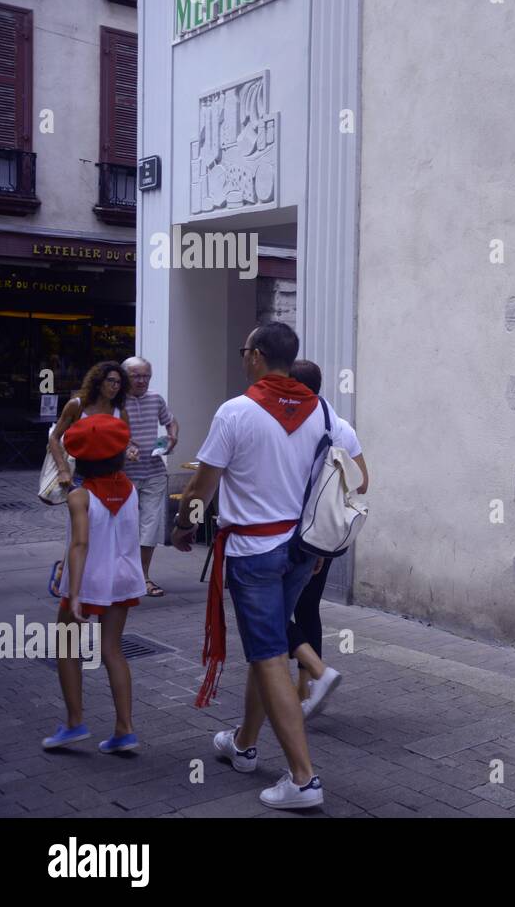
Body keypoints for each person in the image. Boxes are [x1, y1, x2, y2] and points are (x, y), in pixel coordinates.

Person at [171, 322, 327, 810]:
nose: (242, 357)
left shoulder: (235, 412)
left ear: (257, 356)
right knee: (271, 649)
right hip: (300, 549)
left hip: (253, 552)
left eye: (244, 350)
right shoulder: (322, 410)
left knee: (266, 655)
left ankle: (303, 779)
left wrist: (181, 527)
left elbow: (200, 488)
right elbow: (356, 473)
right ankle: (242, 744)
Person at [41, 414, 145, 754]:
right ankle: (125, 729)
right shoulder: (130, 488)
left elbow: (80, 544)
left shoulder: (79, 497)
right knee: (112, 650)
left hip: (88, 581)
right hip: (124, 578)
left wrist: (72, 595)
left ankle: (74, 723)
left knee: (66, 646)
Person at [285, 359, 368, 719]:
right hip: (322, 532)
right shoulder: (341, 426)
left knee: (268, 609)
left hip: (288, 529)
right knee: (307, 607)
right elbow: (362, 482)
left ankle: (311, 680)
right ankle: (306, 689)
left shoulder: (291, 424)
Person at [45, 362, 131, 597]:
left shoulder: (118, 411)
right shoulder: (77, 405)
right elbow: (55, 438)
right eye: (110, 381)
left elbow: (123, 441)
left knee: (99, 528)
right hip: (80, 475)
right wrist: (63, 469)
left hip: (108, 476)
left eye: (118, 382)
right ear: (98, 381)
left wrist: (129, 450)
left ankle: (88, 575)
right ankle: (66, 575)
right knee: (78, 528)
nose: (114, 387)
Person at [120, 357, 180, 597]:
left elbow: (171, 421)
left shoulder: (155, 398)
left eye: (146, 375)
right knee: (125, 528)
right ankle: (124, 576)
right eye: (137, 376)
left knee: (150, 528)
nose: (142, 380)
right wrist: (124, 446)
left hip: (154, 471)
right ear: (125, 377)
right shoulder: (116, 401)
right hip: (124, 476)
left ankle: (143, 577)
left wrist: (172, 437)